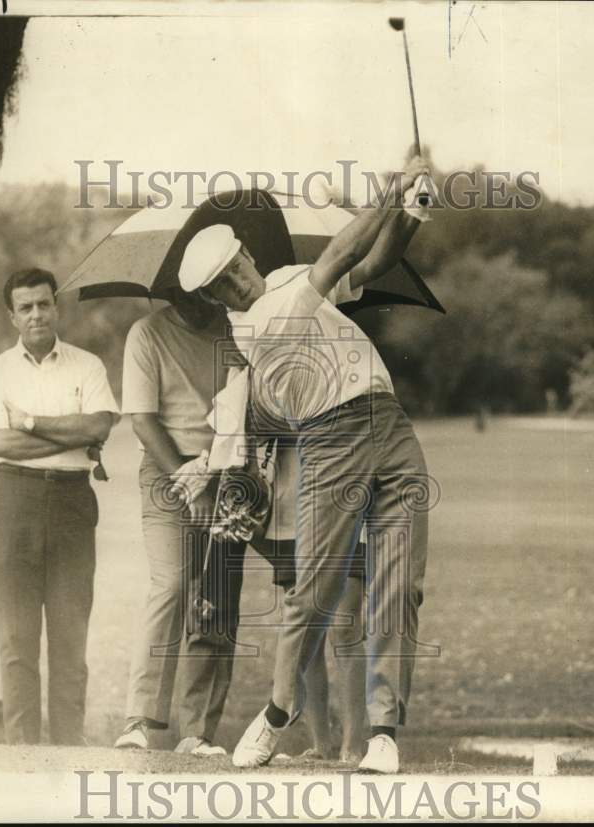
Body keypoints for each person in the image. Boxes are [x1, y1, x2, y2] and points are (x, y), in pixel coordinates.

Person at [178, 154, 433, 774]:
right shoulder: (255, 325)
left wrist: (412, 213)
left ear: (246, 257)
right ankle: (273, 717)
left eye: (237, 267)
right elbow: (342, 255)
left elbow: (373, 262)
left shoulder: (288, 276)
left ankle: (383, 732)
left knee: (400, 583)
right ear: (217, 298)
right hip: (331, 437)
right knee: (312, 594)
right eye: (224, 284)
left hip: (388, 423)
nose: (238, 281)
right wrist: (391, 186)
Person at [0, 267, 120, 745]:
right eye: (25, 307)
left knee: (70, 637)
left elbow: (97, 428)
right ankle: (22, 756)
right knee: (16, 640)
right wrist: (67, 435)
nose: (36, 314)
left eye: (43, 304)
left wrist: (32, 423)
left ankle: (68, 751)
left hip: (73, 502)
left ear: (56, 306)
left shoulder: (87, 366)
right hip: (13, 501)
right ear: (11, 316)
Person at [113, 288, 246, 757]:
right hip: (166, 467)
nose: (200, 300)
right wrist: (191, 481)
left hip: (228, 465)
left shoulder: (236, 329)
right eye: (185, 292)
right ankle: (139, 721)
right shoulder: (146, 334)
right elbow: (144, 422)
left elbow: (244, 408)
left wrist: (212, 473)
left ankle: (197, 733)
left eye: (208, 291)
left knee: (215, 593)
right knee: (170, 583)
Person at [252, 440, 368, 763]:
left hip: (346, 497)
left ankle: (353, 745)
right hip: (291, 505)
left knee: (345, 625)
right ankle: (321, 745)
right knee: (306, 633)